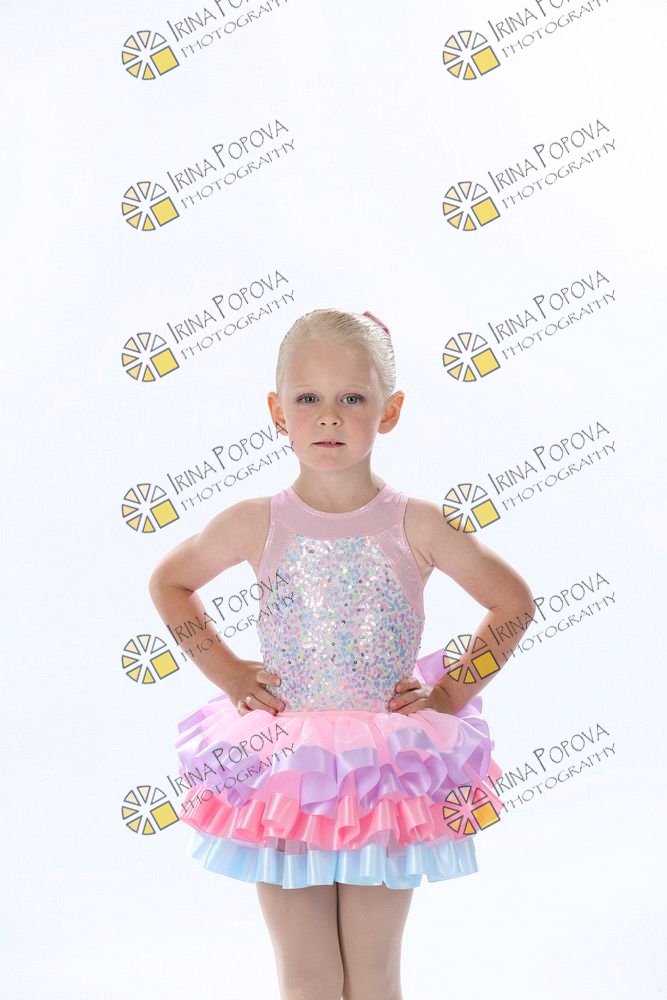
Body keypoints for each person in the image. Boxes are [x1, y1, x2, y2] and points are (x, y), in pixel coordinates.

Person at [148, 308, 535, 1000]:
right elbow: (170, 582)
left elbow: (512, 604)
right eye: (308, 398)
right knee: (309, 977)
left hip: (381, 775)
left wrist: (450, 693)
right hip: (283, 772)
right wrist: (228, 671)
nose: (329, 416)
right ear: (278, 412)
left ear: (389, 411)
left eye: (352, 397)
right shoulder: (255, 522)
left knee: (373, 972)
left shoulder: (418, 524)